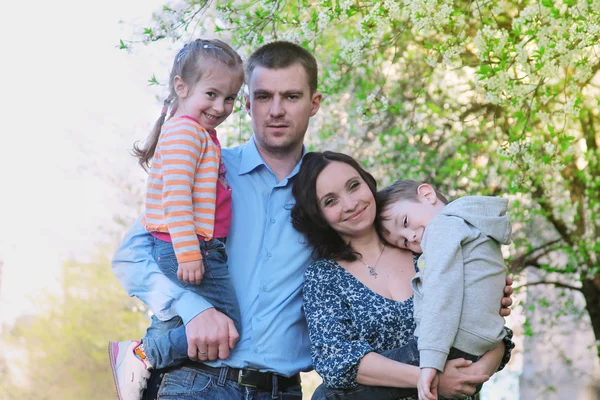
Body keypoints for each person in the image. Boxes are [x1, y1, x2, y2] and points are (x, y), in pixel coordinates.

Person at [111, 41, 513, 400]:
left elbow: (405, 261)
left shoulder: (333, 197)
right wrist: (191, 307)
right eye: (264, 96)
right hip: (195, 381)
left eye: (291, 96)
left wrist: (483, 283)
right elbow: (131, 257)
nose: (277, 110)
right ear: (248, 104)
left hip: (281, 390)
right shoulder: (208, 168)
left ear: (314, 103)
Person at [290, 151, 515, 400]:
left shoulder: (423, 246)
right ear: (319, 216)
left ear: (368, 183)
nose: (350, 204)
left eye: (354, 186)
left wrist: (476, 372)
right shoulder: (324, 277)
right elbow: (336, 360)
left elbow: (494, 334)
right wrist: (429, 380)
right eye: (330, 201)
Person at [108, 38, 245, 400]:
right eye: (212, 94)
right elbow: (176, 198)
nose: (221, 106)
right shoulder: (186, 132)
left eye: (229, 98)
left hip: (193, 245)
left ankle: (143, 360)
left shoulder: (198, 133)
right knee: (228, 323)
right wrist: (189, 254)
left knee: (179, 321)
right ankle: (144, 354)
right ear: (181, 87)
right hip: (188, 246)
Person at [377, 180, 511, 400]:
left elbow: (442, 295)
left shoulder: (441, 227)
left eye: (405, 221)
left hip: (453, 341)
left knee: (334, 394)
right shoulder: (473, 224)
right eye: (403, 242)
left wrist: (429, 361)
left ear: (427, 194)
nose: (410, 237)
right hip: (480, 342)